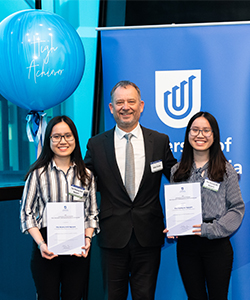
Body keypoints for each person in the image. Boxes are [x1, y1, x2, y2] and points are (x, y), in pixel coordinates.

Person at [84, 80, 177, 300]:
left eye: (131, 101)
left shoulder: (160, 141)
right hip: (112, 235)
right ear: (111, 108)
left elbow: (178, 178)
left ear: (141, 105)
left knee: (145, 296)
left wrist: (211, 171)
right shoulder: (96, 145)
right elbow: (82, 183)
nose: (125, 107)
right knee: (113, 296)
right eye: (120, 102)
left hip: (149, 234)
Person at [164, 111, 245, 300]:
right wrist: (174, 226)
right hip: (187, 246)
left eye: (206, 131)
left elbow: (237, 209)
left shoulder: (226, 170)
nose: (200, 135)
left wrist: (210, 229)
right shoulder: (177, 171)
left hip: (216, 245)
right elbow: (176, 205)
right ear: (188, 134)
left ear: (214, 136)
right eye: (195, 130)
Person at [20, 115, 99, 300]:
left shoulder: (86, 175)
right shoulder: (37, 174)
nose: (62, 141)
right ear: (49, 140)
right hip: (46, 247)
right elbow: (26, 213)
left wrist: (87, 239)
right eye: (56, 136)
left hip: (77, 247)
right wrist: (41, 244)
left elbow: (92, 213)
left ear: (75, 139)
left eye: (68, 135)